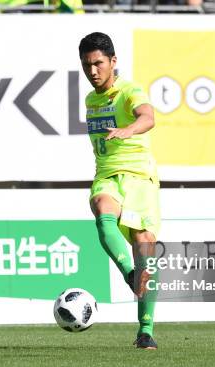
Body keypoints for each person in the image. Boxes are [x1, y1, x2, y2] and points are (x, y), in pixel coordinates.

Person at [79, 32, 160, 350]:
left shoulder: (129, 90)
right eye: (87, 66)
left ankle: (145, 330)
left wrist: (128, 129)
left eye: (98, 63)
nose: (93, 71)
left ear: (113, 61)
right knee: (102, 212)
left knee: (144, 247)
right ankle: (129, 274)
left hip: (140, 178)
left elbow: (148, 116)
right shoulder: (91, 99)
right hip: (107, 176)